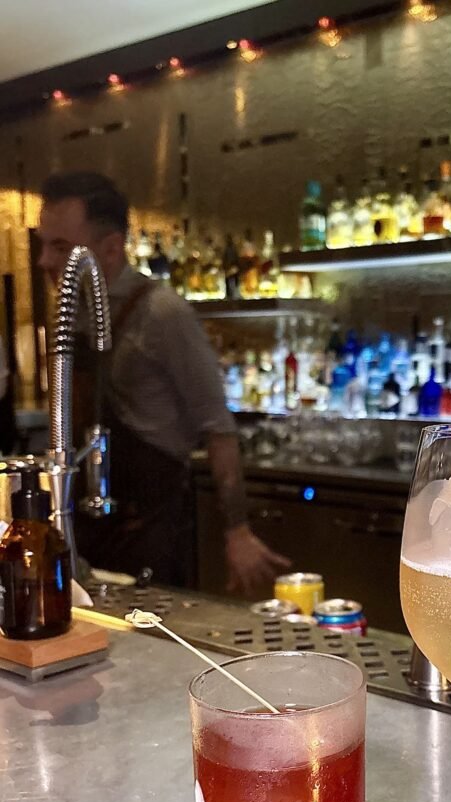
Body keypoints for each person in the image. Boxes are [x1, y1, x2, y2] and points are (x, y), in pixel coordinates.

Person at [36, 171, 289, 592]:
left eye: (60, 247)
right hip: (91, 523)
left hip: (152, 528)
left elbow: (218, 427)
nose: (43, 261)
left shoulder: (162, 313)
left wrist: (237, 530)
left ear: (111, 248)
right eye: (43, 244)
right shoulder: (75, 313)